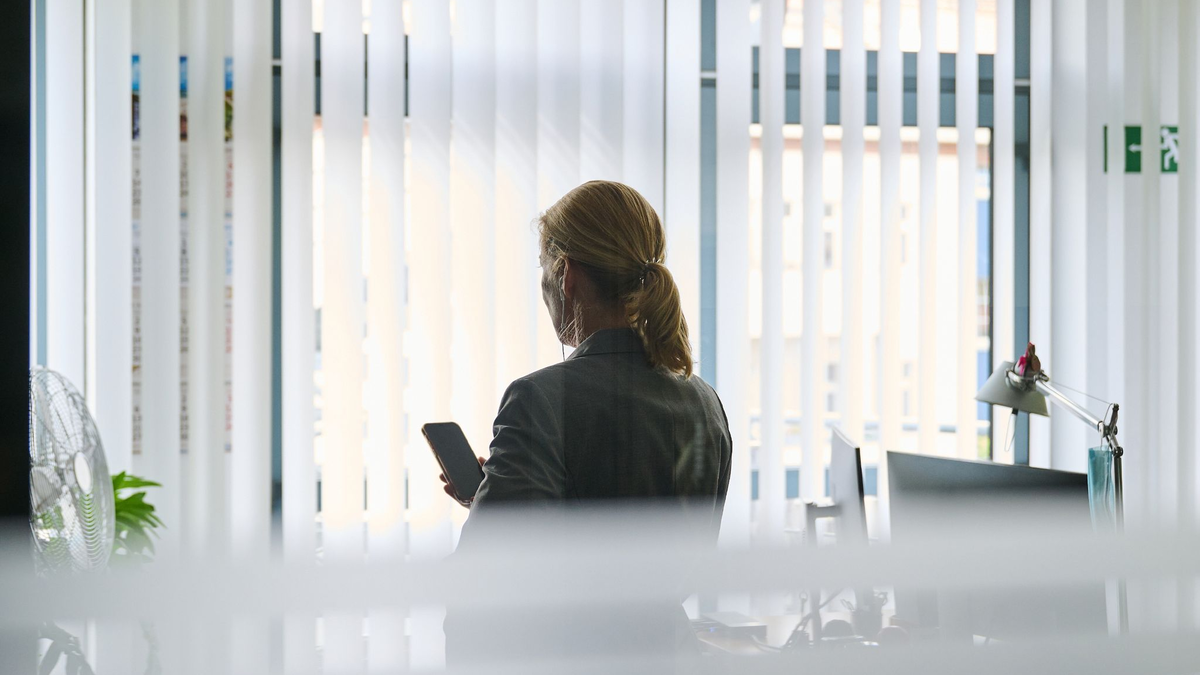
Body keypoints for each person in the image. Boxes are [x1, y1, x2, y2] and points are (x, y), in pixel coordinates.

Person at [441, 180, 733, 670]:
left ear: (567, 274)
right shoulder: (705, 403)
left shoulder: (539, 400)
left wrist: (487, 515)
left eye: (543, 269)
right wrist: (497, 494)